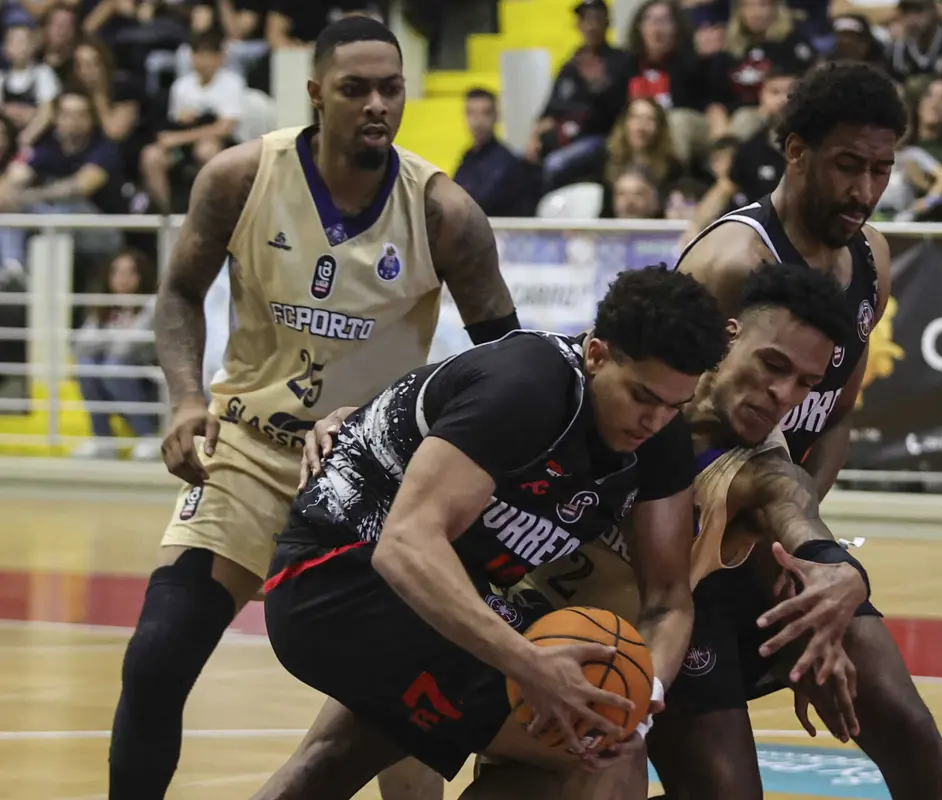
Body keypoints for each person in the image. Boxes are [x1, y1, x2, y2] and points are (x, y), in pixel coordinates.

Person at [108, 16, 520, 800]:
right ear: (314, 96)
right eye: (355, 89)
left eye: (390, 89)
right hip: (250, 453)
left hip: (373, 480)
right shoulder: (239, 177)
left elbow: (511, 362)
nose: (377, 105)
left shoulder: (443, 213)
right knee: (158, 655)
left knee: (400, 726)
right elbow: (179, 294)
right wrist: (187, 398)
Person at [288, 261, 873, 800]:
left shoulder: (681, 441)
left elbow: (674, 599)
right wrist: (528, 664)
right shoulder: (530, 386)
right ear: (597, 354)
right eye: (642, 397)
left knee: (335, 762)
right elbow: (407, 541)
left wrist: (642, 706)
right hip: (351, 580)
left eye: (673, 406)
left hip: (475, 601)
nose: (653, 420)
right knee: (597, 755)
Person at [648, 60, 942, 800]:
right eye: (847, 165)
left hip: (770, 536)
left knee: (905, 724)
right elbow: (650, 428)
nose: (864, 190)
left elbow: (839, 414)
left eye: (882, 169)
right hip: (672, 552)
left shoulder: (872, 259)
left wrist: (801, 552)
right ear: (795, 150)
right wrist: (782, 552)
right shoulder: (731, 262)